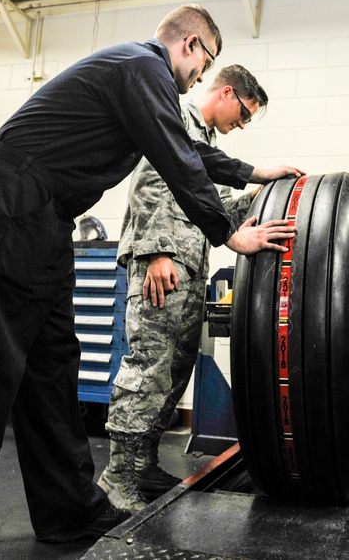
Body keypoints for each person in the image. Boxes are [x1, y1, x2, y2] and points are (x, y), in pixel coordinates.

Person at [0, 4, 302, 560]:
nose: (201, 77)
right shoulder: (143, 67)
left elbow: (189, 150)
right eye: (204, 64)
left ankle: (68, 511)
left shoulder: (140, 79)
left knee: (52, 365)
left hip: (44, 218)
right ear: (192, 44)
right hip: (10, 202)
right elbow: (177, 157)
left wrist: (252, 172)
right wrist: (228, 232)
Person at [99, 65, 280, 510]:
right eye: (244, 113)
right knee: (148, 369)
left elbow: (208, 204)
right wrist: (157, 252)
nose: (243, 124)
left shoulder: (208, 146)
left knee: (175, 371)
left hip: (190, 272)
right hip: (163, 267)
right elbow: (147, 182)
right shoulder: (175, 116)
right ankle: (116, 476)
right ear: (227, 92)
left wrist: (254, 198)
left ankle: (143, 465)